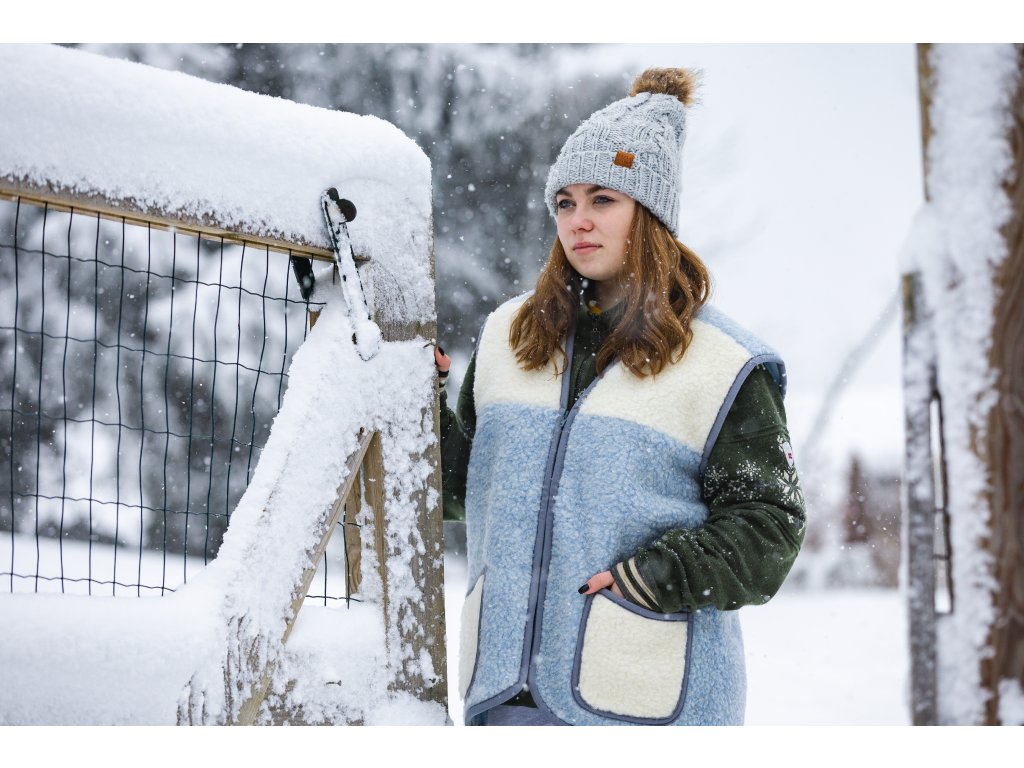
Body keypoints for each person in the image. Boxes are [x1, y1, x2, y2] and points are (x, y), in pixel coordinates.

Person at [435, 68, 805, 726]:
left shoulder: (725, 365)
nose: (578, 221)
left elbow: (771, 527)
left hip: (647, 701)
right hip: (506, 698)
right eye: (565, 202)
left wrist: (654, 578)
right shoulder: (506, 338)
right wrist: (420, 407)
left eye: (603, 199)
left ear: (649, 211)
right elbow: (461, 489)